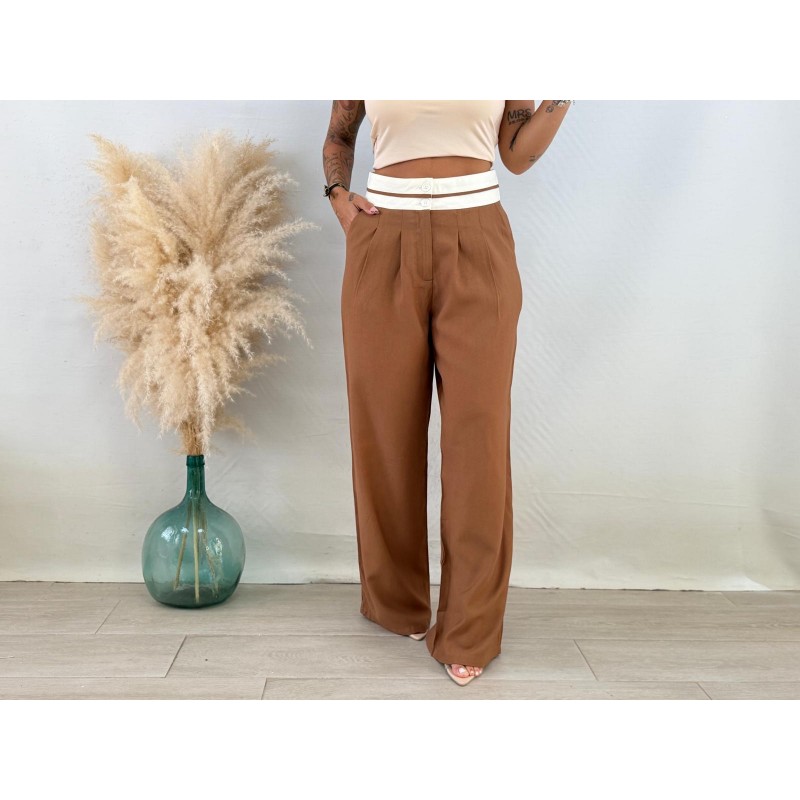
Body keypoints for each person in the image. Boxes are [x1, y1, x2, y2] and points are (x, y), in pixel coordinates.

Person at [322, 100, 573, 686]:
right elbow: (339, 135)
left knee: (476, 442)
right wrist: (338, 196)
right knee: (384, 431)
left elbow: (517, 156)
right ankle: (395, 601)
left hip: (476, 235)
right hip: (383, 235)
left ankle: (469, 628)